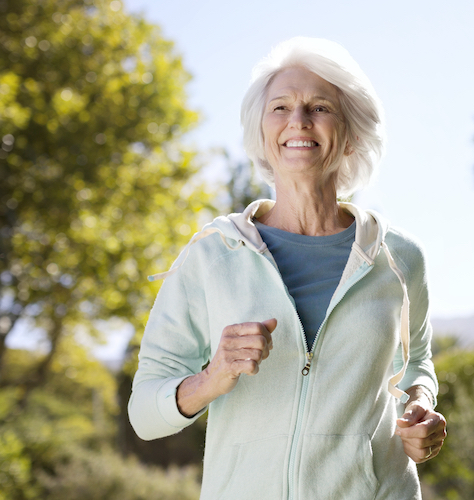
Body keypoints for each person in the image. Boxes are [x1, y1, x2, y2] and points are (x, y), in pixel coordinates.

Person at [128, 37, 446, 499]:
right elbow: (144, 413)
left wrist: (420, 407)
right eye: (280, 107)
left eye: (319, 107)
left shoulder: (398, 258)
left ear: (351, 133)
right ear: (262, 132)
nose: (298, 120)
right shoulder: (212, 256)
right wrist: (212, 378)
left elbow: (416, 362)